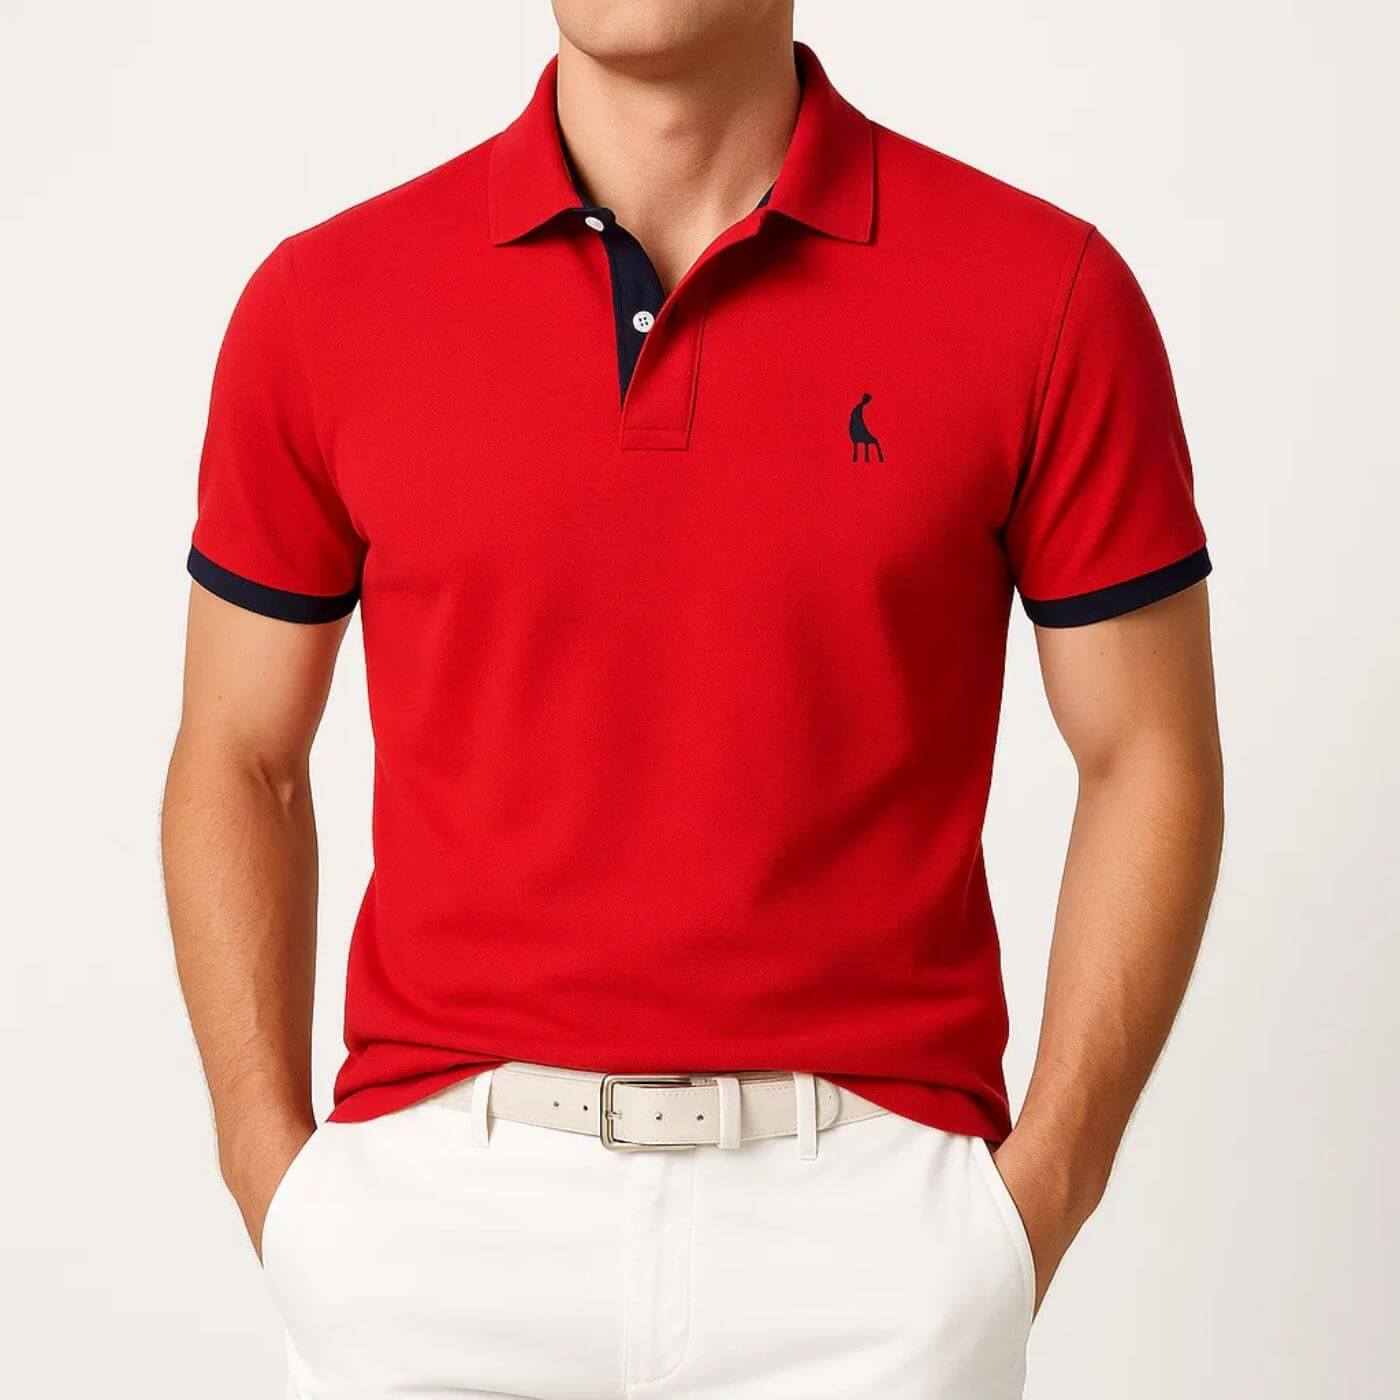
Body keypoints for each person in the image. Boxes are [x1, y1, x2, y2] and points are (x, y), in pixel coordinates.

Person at [162, 2, 1224, 1395]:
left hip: (871, 1244)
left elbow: (1149, 754)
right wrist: (276, 1179)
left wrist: (1034, 1205)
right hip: (434, 1238)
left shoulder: (1045, 293)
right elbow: (240, 755)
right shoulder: (327, 301)